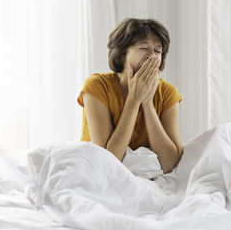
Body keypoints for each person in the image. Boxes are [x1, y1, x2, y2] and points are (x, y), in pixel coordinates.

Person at [77, 18, 183, 174]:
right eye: (143, 48)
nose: (151, 56)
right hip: (99, 173)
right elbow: (107, 159)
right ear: (122, 53)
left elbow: (170, 164)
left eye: (157, 51)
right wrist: (134, 100)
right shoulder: (97, 87)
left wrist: (147, 103)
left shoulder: (167, 93)